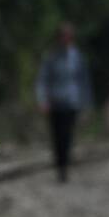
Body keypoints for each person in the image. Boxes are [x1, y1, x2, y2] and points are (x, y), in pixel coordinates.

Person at [35, 22, 93, 182]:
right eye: (63, 36)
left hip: (71, 103)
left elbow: (84, 82)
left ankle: (64, 166)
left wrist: (86, 104)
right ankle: (59, 163)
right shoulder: (51, 57)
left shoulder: (77, 57)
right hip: (55, 102)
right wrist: (42, 100)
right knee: (57, 136)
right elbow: (42, 80)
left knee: (67, 135)